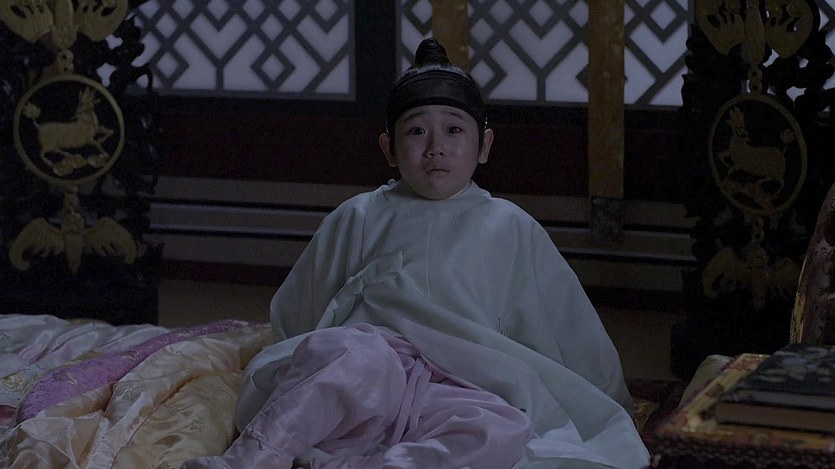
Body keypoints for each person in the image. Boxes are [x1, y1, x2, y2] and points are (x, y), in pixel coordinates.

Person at [184, 38, 650, 469]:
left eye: (454, 130)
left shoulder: (509, 224)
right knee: (350, 354)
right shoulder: (359, 215)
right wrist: (321, 359)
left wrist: (605, 394)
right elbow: (303, 310)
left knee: (500, 427)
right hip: (367, 378)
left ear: (484, 145)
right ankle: (248, 461)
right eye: (416, 131)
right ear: (389, 148)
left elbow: (563, 320)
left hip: (455, 385)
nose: (435, 148)